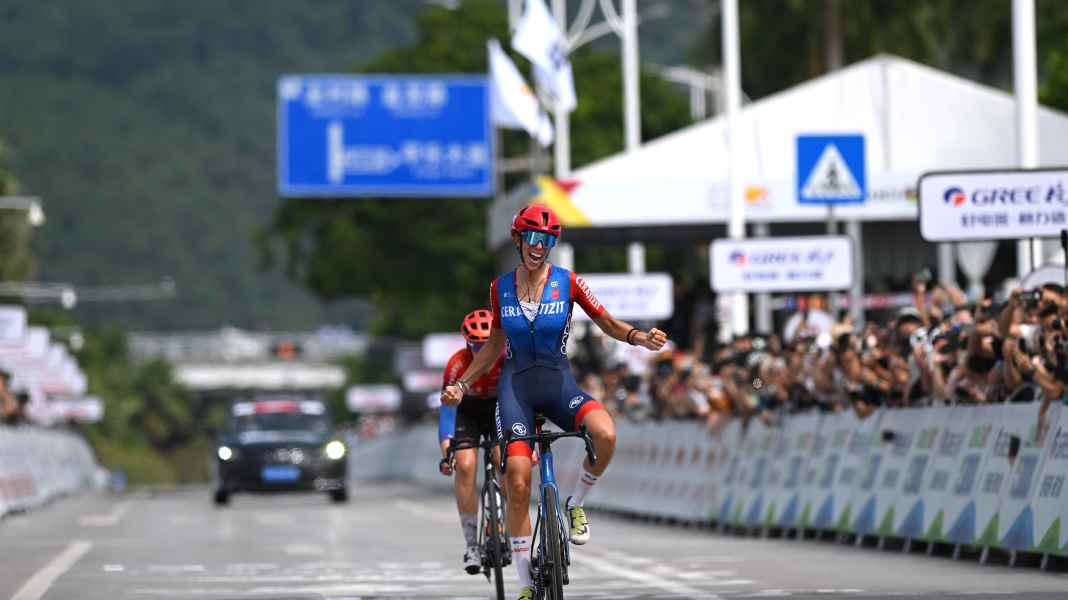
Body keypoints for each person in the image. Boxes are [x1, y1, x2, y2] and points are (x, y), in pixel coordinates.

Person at [442, 205, 667, 600]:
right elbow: (494, 344)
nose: (538, 246)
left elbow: (608, 323)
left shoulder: (569, 282)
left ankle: (575, 502)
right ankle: (526, 584)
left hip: (559, 384)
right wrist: (462, 383)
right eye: (531, 238)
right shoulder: (499, 288)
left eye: (546, 240)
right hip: (516, 390)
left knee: (606, 433)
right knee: (515, 477)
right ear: (518, 240)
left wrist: (638, 337)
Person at [438, 308, 504, 575]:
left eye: (485, 344)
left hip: (500, 407)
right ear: (467, 342)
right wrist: (446, 447)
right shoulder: (456, 364)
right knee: (465, 465)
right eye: (475, 345)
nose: (480, 350)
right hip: (468, 411)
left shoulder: (507, 357)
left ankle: (507, 524)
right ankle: (471, 544)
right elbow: (447, 409)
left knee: (507, 460)